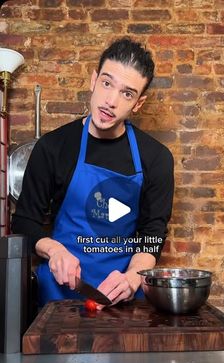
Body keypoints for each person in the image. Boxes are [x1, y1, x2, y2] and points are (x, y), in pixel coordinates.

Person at [12, 37, 174, 308]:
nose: (110, 101)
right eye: (107, 83)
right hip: (58, 295)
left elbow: (152, 232)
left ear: (138, 103)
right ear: (93, 80)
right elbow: (24, 222)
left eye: (127, 93)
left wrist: (133, 277)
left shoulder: (155, 158)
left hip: (121, 299)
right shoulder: (53, 147)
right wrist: (55, 251)